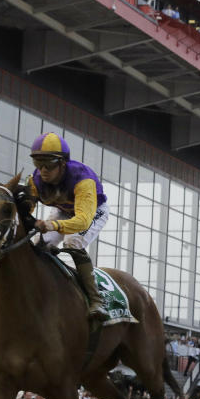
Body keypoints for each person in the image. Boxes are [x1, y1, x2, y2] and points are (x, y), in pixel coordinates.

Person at [24, 132, 129, 323]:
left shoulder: (83, 179)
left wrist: (52, 224)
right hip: (63, 211)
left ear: (62, 163)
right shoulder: (35, 180)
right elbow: (26, 209)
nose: (43, 170)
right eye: (38, 164)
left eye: (49, 164)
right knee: (39, 243)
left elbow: (82, 221)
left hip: (92, 212)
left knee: (73, 241)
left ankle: (96, 301)